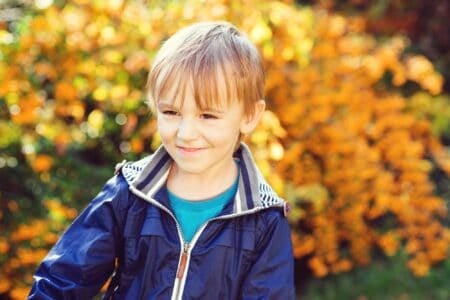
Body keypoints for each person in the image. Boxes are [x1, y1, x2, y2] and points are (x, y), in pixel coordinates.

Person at [29, 21, 295, 299]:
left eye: (207, 116)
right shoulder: (130, 192)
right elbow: (61, 280)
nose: (186, 133)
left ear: (249, 115)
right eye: (171, 112)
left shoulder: (264, 221)